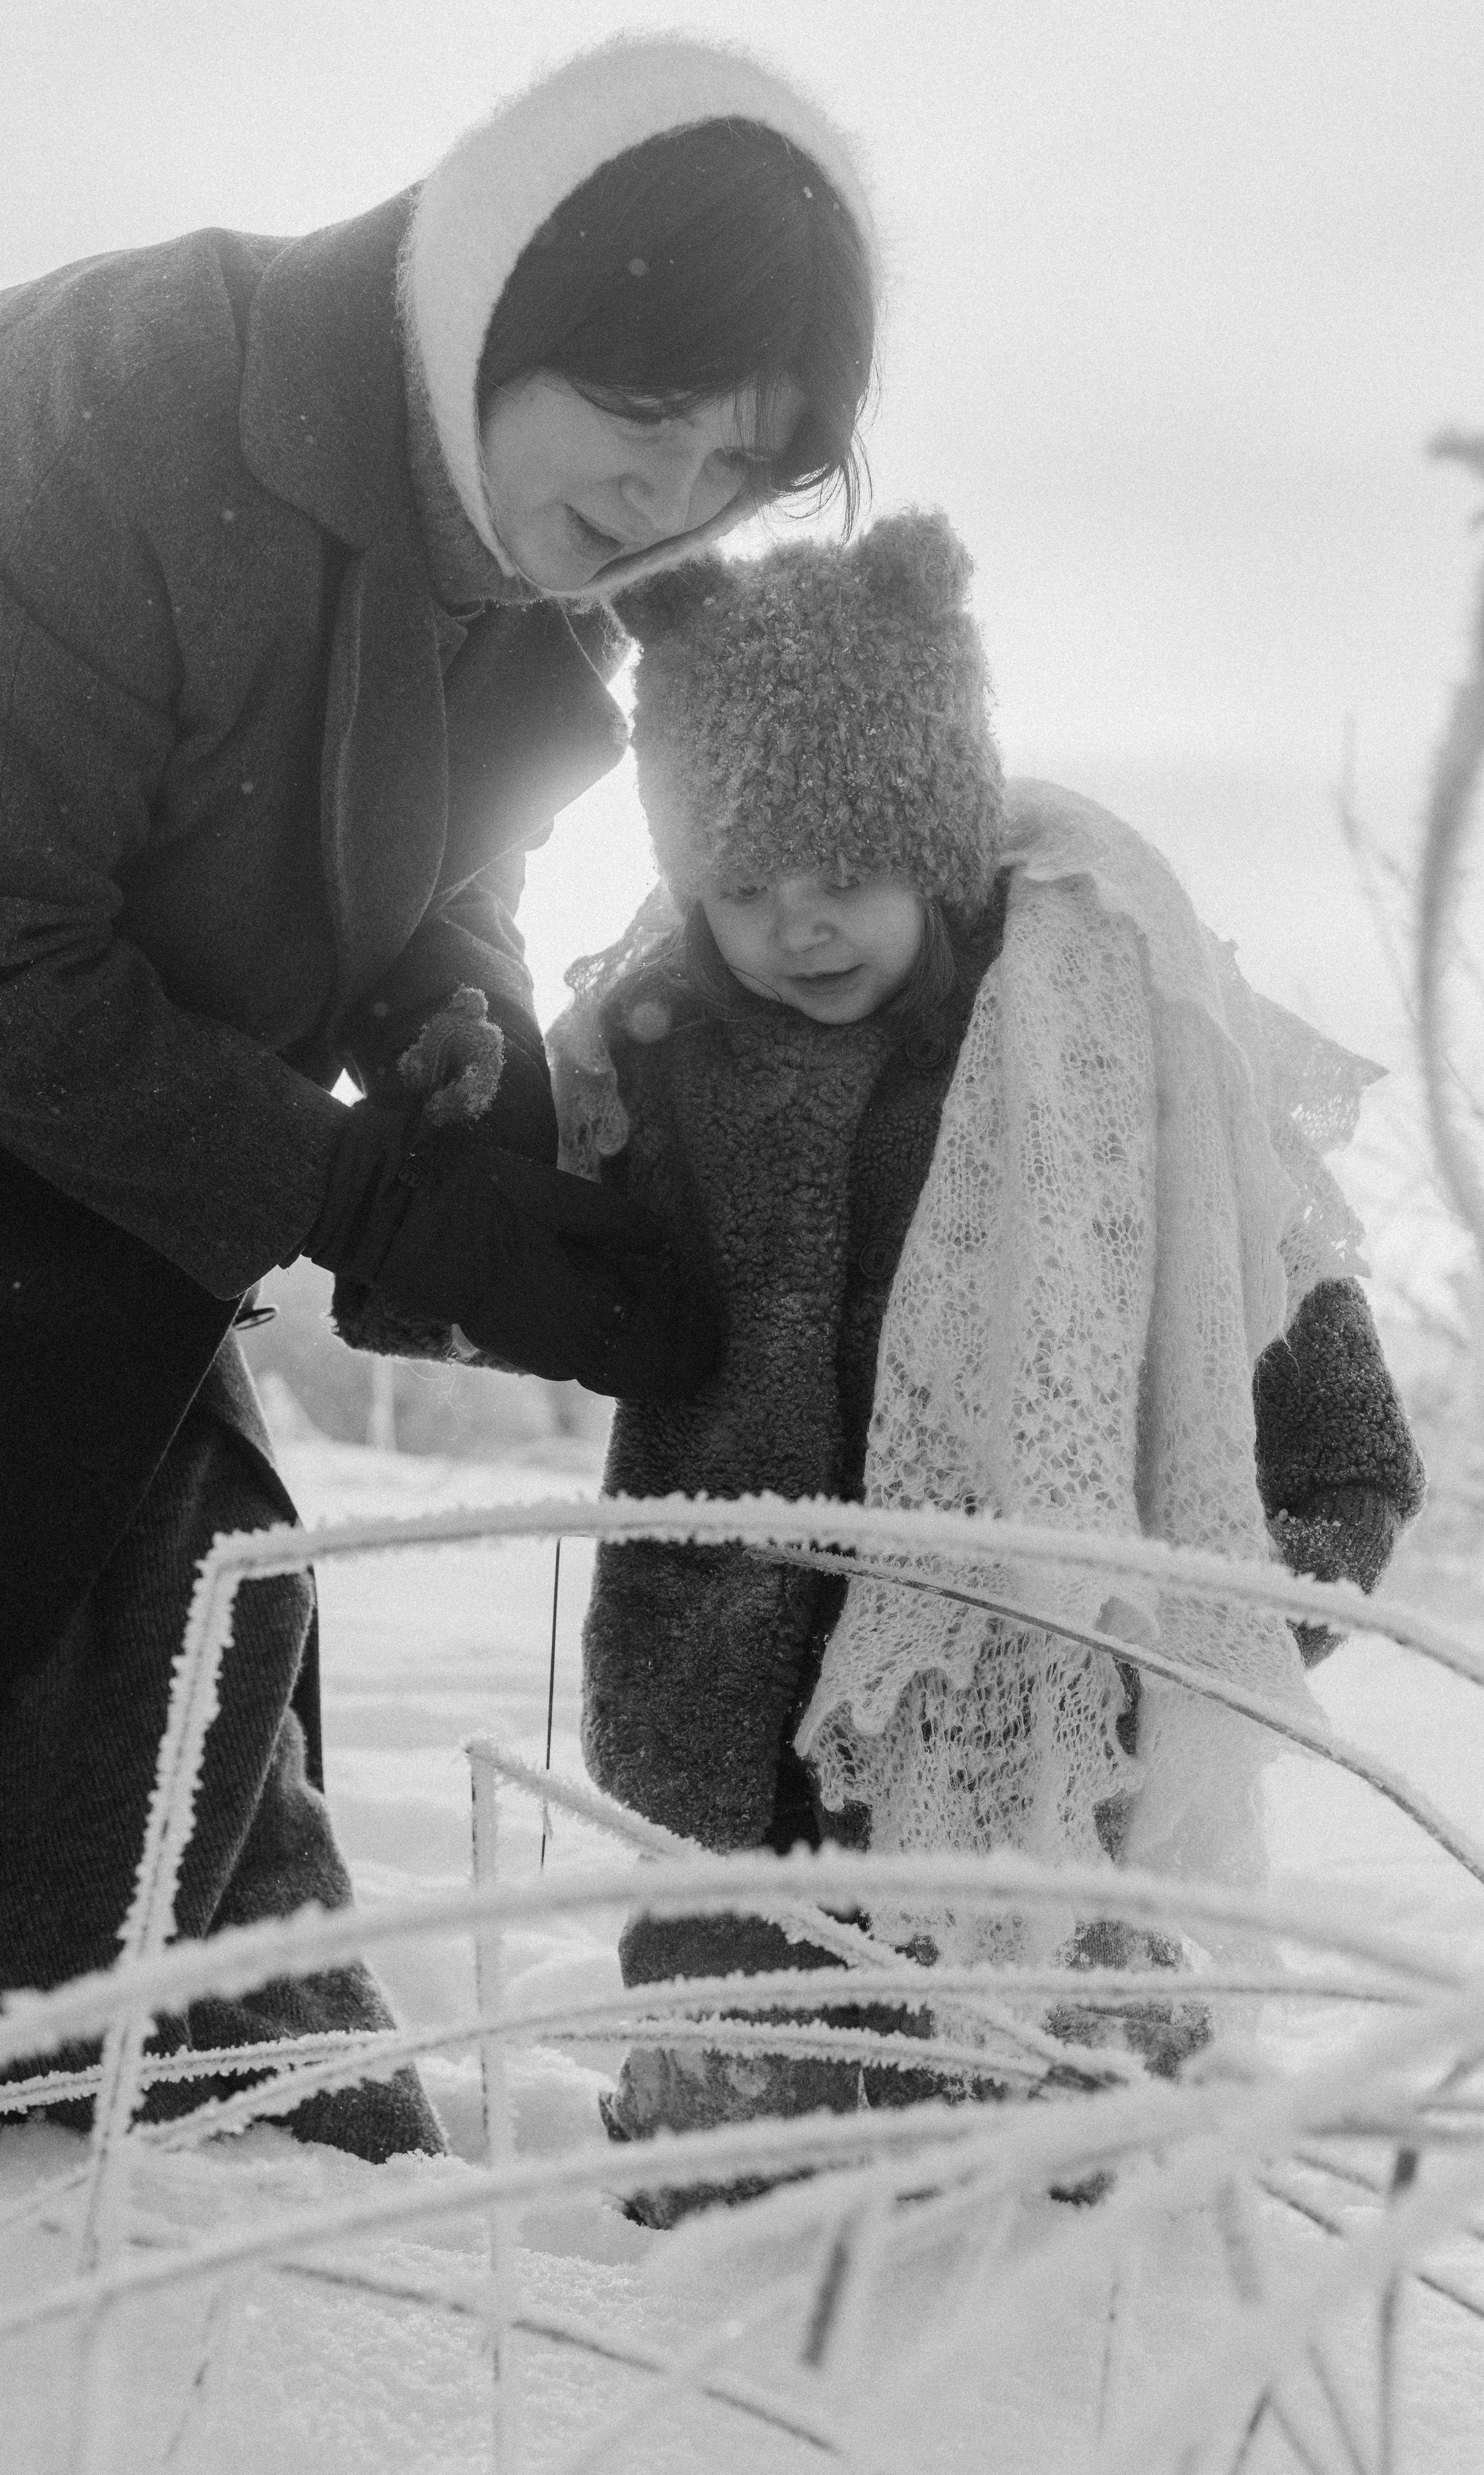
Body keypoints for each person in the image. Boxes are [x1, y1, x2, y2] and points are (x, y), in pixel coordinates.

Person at [0, 35, 879, 2160]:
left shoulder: (535, 577)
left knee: (185, 1711)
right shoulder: (126, 403)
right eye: (647, 413)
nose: (672, 505)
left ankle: (253, 2097)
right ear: (500, 287)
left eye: (737, 465)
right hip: (53, 1192)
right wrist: (360, 1199)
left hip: (95, 1243)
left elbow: (437, 863)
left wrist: (454, 1043)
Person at [541, 509, 1425, 2221]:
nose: (795, 929)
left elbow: (1338, 1448)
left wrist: (1183, 1645)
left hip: (1043, 1755)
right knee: (741, 2187)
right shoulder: (658, 1064)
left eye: (845, 873)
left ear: (936, 843)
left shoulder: (1125, 1055)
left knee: (1062, 2203)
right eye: (744, 887)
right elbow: (524, 1284)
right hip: (731, 1743)